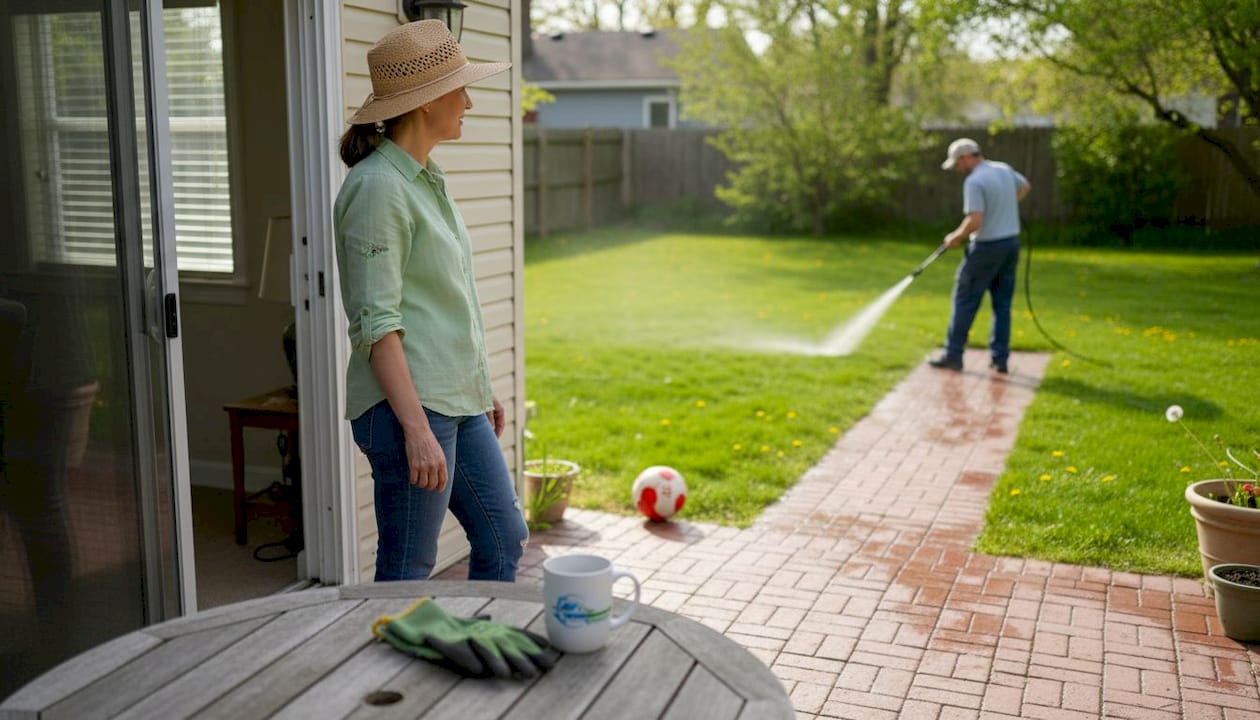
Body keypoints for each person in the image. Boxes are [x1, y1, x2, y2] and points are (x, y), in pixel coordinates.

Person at [333, 20, 527, 582]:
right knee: (407, 567)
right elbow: (377, 325)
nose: (468, 101)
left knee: (503, 537)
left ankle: (477, 653)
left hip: (455, 403)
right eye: (460, 89)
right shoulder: (377, 189)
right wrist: (416, 430)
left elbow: (443, 304)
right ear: (426, 104)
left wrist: (476, 387)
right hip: (408, 412)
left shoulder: (425, 180)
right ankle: (385, 671)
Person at [928, 138, 1030, 374]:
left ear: (966, 157)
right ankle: (1000, 358)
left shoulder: (975, 181)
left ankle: (953, 355)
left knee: (964, 299)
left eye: (957, 164)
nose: (956, 169)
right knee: (1002, 304)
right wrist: (1005, 206)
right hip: (1010, 244)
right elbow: (1025, 187)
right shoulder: (1003, 169)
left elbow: (975, 221)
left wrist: (956, 236)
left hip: (986, 248)